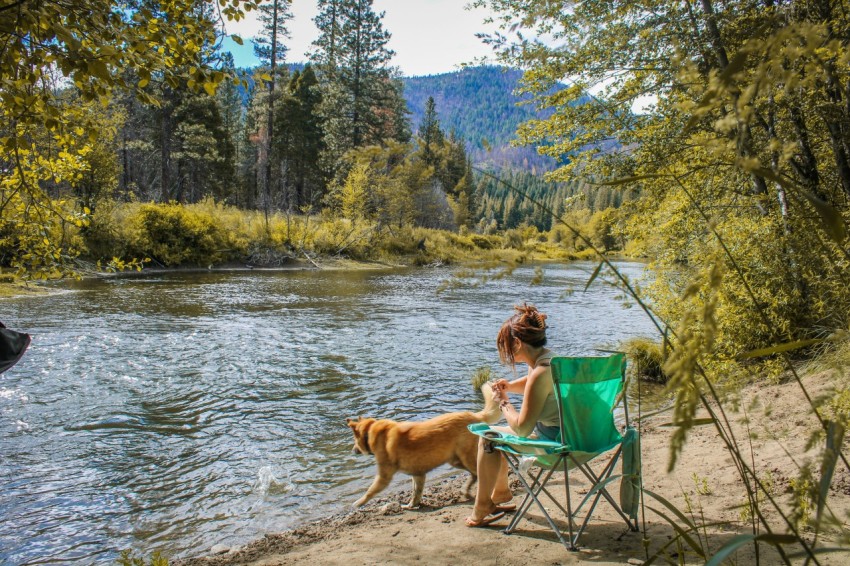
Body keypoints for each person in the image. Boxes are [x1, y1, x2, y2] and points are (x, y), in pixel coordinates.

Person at [465, 302, 559, 527]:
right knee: (494, 434)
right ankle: (500, 494)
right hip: (583, 438)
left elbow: (521, 429)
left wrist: (504, 403)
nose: (505, 351)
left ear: (517, 343)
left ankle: (482, 507)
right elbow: (536, 384)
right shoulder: (552, 360)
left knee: (487, 437)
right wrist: (510, 386)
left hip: (557, 446)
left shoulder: (540, 372)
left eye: (506, 345)